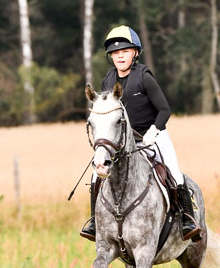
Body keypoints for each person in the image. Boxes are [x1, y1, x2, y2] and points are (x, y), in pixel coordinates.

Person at [80, 24, 202, 242]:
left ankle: (187, 220)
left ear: (135, 53)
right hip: (122, 143)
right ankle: (94, 223)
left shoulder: (144, 77)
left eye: (125, 51)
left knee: (174, 172)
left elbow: (164, 109)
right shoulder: (108, 80)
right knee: (95, 176)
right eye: (115, 53)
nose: (120, 56)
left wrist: (154, 131)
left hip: (152, 135)